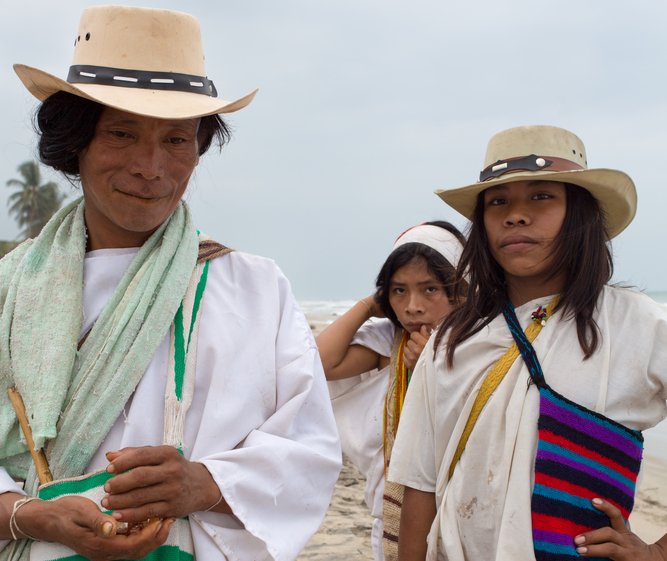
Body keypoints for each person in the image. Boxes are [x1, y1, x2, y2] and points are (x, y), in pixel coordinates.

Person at [0, 6, 341, 561]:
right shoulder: (9, 291)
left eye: (177, 140)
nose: (151, 166)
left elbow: (310, 453)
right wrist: (31, 515)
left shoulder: (256, 289)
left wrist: (204, 484)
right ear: (74, 144)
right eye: (122, 133)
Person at [388, 125, 667, 561]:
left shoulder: (639, 325)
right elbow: (420, 487)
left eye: (541, 197)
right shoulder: (452, 341)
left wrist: (656, 552)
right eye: (498, 201)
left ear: (581, 214)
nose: (515, 215)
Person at [318, 222, 465, 561]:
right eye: (399, 291)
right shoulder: (391, 342)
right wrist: (370, 306)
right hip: (390, 515)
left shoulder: (480, 342)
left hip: (460, 517)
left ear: (459, 288)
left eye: (430, 289)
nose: (413, 306)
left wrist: (433, 368)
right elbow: (321, 362)